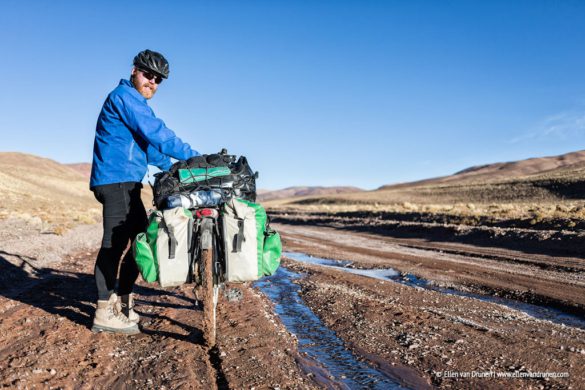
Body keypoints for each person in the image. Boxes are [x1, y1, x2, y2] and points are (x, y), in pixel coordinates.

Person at [89, 49, 200, 334]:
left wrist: (176, 169)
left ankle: (124, 300)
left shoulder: (134, 102)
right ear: (134, 71)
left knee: (142, 239)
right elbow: (157, 132)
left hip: (127, 183)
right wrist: (194, 158)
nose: (152, 81)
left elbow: (151, 147)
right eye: (147, 74)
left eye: (158, 79)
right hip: (115, 181)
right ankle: (104, 311)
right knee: (113, 244)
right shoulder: (125, 97)